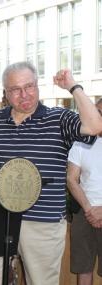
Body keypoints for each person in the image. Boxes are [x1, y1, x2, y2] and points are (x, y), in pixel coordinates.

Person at [0, 62, 102, 285]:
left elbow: (95, 126)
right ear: (6, 93)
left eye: (29, 86)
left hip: (43, 221)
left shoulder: (59, 119)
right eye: (15, 89)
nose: (24, 94)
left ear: (37, 86)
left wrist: (73, 86)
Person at [67, 98, 102, 285]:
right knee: (83, 269)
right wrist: (89, 210)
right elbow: (71, 180)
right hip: (84, 213)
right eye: (96, 112)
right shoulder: (81, 142)